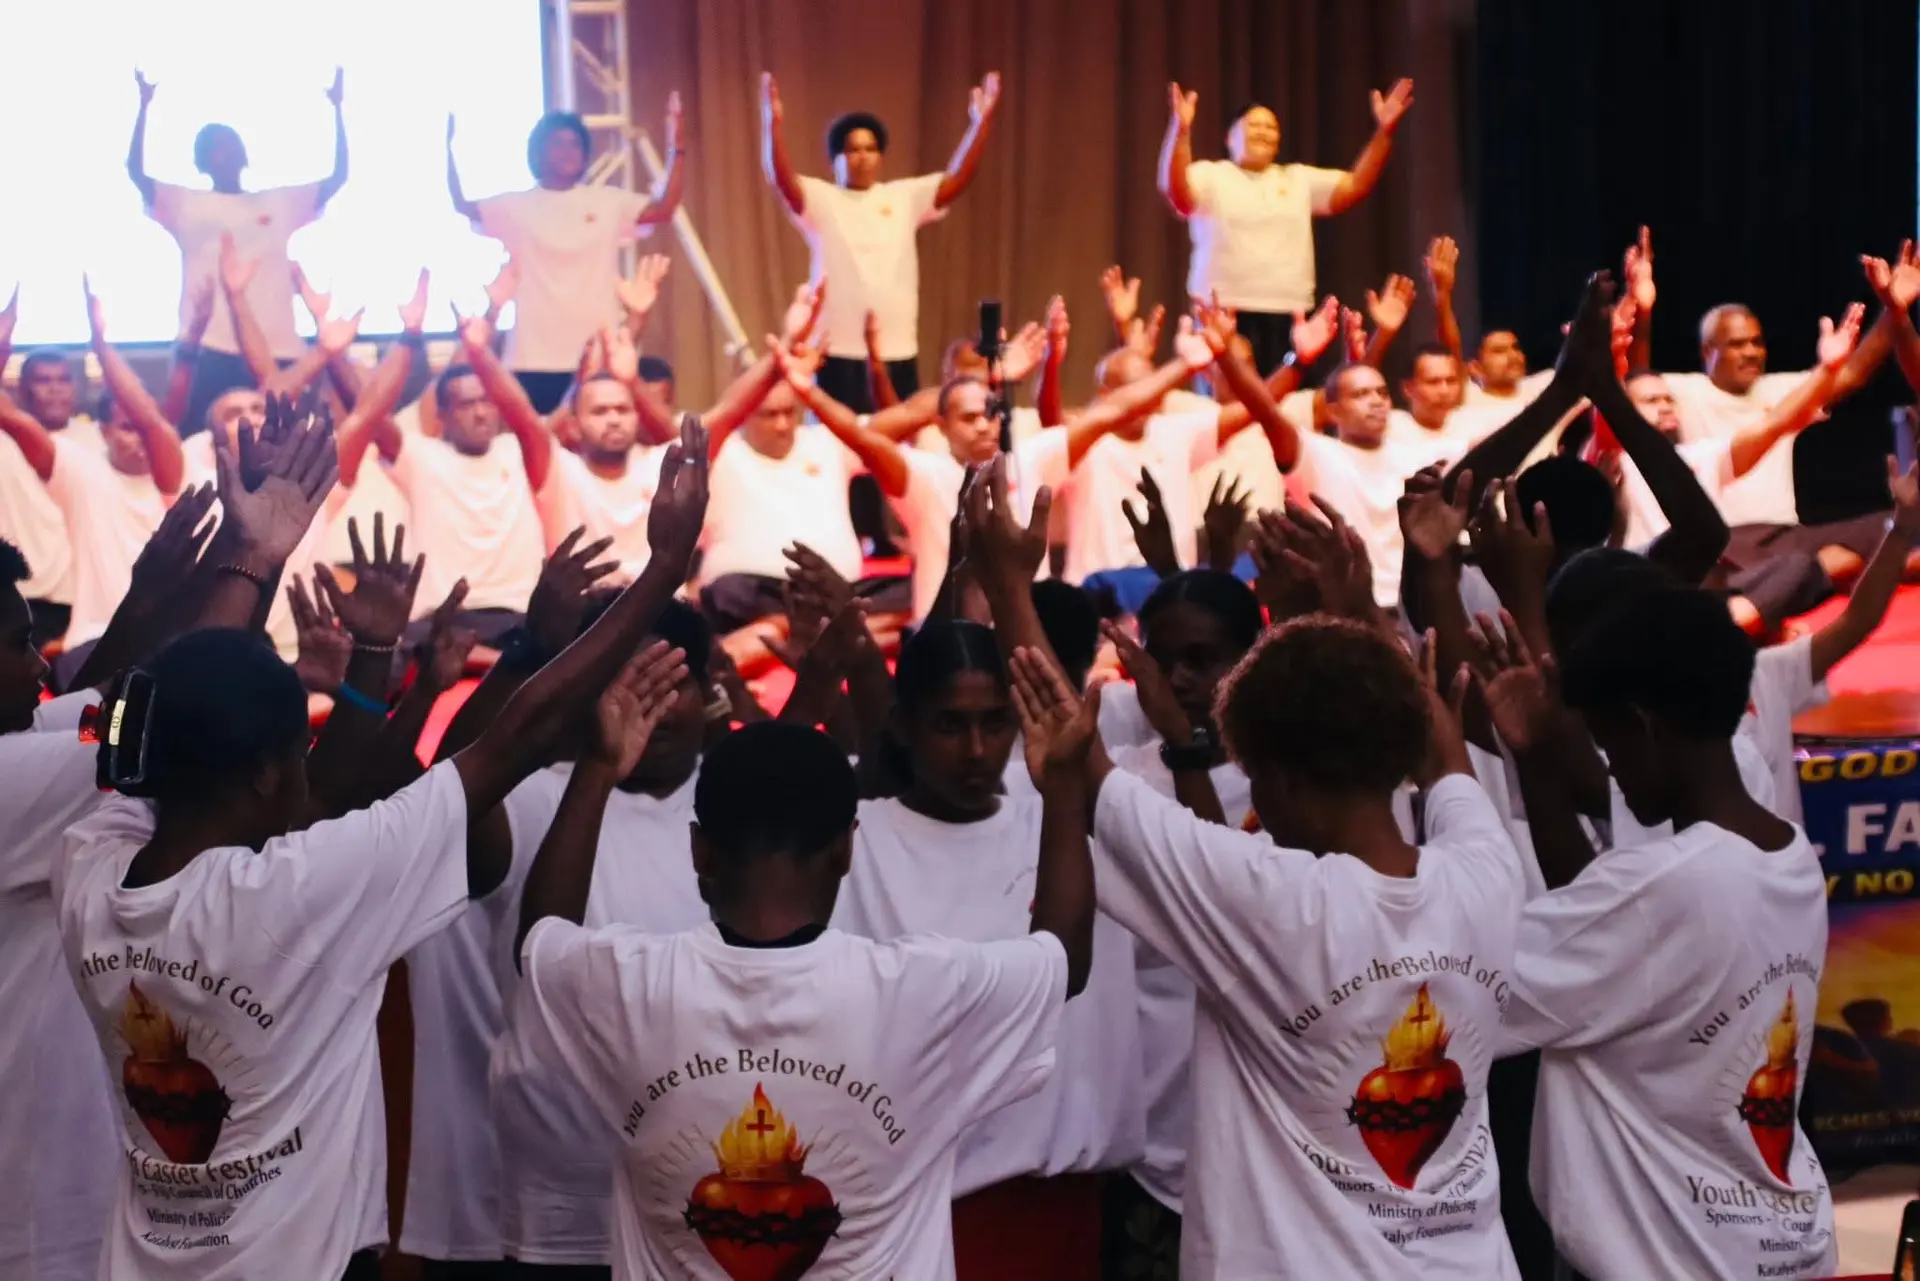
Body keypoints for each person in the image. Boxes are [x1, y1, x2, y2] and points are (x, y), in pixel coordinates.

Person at [53, 414, 712, 1281]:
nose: (310, 782)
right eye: (301, 759)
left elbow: (149, 713)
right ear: (262, 774)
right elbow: (515, 739)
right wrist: (661, 570)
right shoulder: (305, 890)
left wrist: (252, 560)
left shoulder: (88, 870)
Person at [499, 642, 1091, 1279]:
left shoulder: (627, 984)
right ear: (845, 850)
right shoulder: (921, 989)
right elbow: (1064, 962)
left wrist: (596, 768)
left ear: (698, 850)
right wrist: (1061, 787)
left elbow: (538, 940)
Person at [1484, 590, 1835, 1280]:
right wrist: (1539, 757)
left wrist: (1449, 778)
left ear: (1642, 726)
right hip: (1778, 1249)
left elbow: (1464, 981)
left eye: (1608, 743)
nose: (1609, 767)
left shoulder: (1662, 889)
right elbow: (1598, 927)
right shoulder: (1788, 855)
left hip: (1673, 1261)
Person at [831, 621, 1141, 1280]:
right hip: (914, 1210)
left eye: (995, 722)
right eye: (950, 724)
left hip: (1060, 1202)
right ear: (903, 725)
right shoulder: (853, 849)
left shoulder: (1068, 832)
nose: (976, 748)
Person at [483, 601, 717, 1275]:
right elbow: (542, 953)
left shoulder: (738, 795)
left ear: (707, 690)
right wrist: (598, 765)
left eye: (671, 684)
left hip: (704, 1185)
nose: (654, 707)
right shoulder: (531, 795)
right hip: (566, 1198)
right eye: (627, 683)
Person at [128, 67, 349, 439]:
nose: (223, 152)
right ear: (201, 159)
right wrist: (143, 105)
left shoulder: (278, 202)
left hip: (277, 344)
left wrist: (338, 108)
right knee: (200, 441)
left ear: (244, 154)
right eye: (214, 147)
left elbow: (337, 177)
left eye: (229, 144)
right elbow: (135, 172)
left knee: (292, 444)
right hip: (207, 344)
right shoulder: (186, 201)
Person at [759, 70, 1001, 411]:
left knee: (896, 445)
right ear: (836, 159)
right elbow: (780, 179)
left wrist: (982, 123)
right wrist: (772, 126)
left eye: (871, 149)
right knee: (839, 449)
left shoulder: (904, 197)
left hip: (896, 348)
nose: (863, 157)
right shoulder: (821, 199)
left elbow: (958, 178)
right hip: (835, 349)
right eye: (852, 150)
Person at [1159, 80, 1413, 374]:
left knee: (1288, 404)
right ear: (1230, 137)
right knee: (1228, 405)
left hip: (1290, 311)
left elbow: (1355, 185)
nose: (1264, 132)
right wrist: (1180, 131)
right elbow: (1177, 193)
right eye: (1255, 125)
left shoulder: (1297, 179)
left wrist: (1385, 133)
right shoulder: (1211, 175)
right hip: (1223, 310)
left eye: (1271, 127)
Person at [449, 100, 687, 413]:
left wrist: (677, 149)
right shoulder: (515, 206)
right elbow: (463, 205)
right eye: (558, 142)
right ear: (537, 152)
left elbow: (664, 209)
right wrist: (448, 150)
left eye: (575, 143)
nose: (568, 150)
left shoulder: (608, 203)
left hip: (597, 356)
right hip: (530, 358)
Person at [337, 336, 548, 646]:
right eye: (466, 404)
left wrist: (480, 348)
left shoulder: (519, 450)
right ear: (443, 416)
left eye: (487, 401)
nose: (480, 413)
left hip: (517, 615)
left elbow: (528, 413)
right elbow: (369, 414)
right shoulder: (422, 456)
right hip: (441, 620)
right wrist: (337, 354)